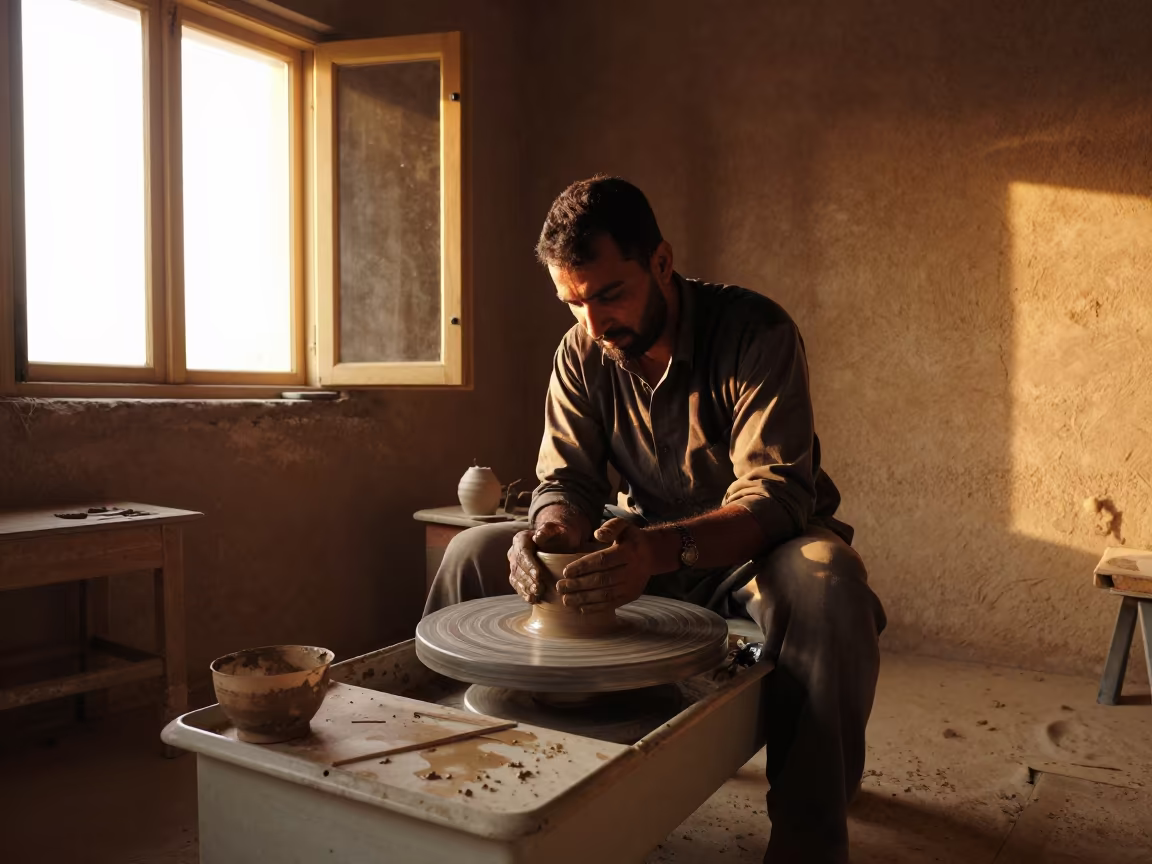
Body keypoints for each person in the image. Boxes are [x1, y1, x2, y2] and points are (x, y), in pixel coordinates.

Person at [423, 175, 886, 864]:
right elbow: (568, 480)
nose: (593, 322)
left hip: (755, 553)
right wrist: (550, 529)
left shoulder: (757, 332)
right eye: (573, 301)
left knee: (831, 583)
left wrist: (659, 552)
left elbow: (779, 494)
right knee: (474, 552)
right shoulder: (581, 350)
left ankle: (809, 839)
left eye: (609, 294)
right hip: (636, 540)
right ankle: (458, 794)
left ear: (662, 264)